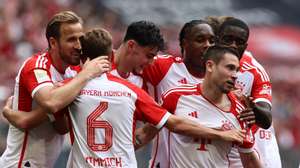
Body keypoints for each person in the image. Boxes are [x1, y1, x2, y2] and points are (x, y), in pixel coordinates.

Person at [65, 28, 246, 168]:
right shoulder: (130, 90)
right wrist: (220, 133)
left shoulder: (69, 86)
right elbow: (174, 123)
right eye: (150, 56)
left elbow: (54, 114)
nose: (151, 63)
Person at [0, 11, 109, 168]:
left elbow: (62, 127)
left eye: (80, 39)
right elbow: (51, 102)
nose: (79, 46)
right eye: (71, 39)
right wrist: (84, 76)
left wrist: (26, 119)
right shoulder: (36, 66)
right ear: (53, 43)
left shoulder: (74, 73)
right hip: (20, 164)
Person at [160, 45, 262, 168]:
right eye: (230, 68)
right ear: (210, 66)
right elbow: (147, 133)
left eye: (237, 70)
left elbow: (250, 161)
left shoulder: (240, 112)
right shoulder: (176, 96)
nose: (235, 75)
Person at [136, 19, 215, 168]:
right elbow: (128, 61)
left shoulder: (220, 80)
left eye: (212, 41)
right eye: (200, 40)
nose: (207, 45)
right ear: (184, 44)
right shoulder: (164, 67)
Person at [212, 17, 281, 168]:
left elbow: (265, 118)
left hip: (245, 146)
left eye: (239, 42)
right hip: (210, 139)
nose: (233, 46)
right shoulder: (203, 60)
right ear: (217, 39)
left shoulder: (254, 72)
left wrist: (253, 109)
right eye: (228, 39)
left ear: (245, 45)